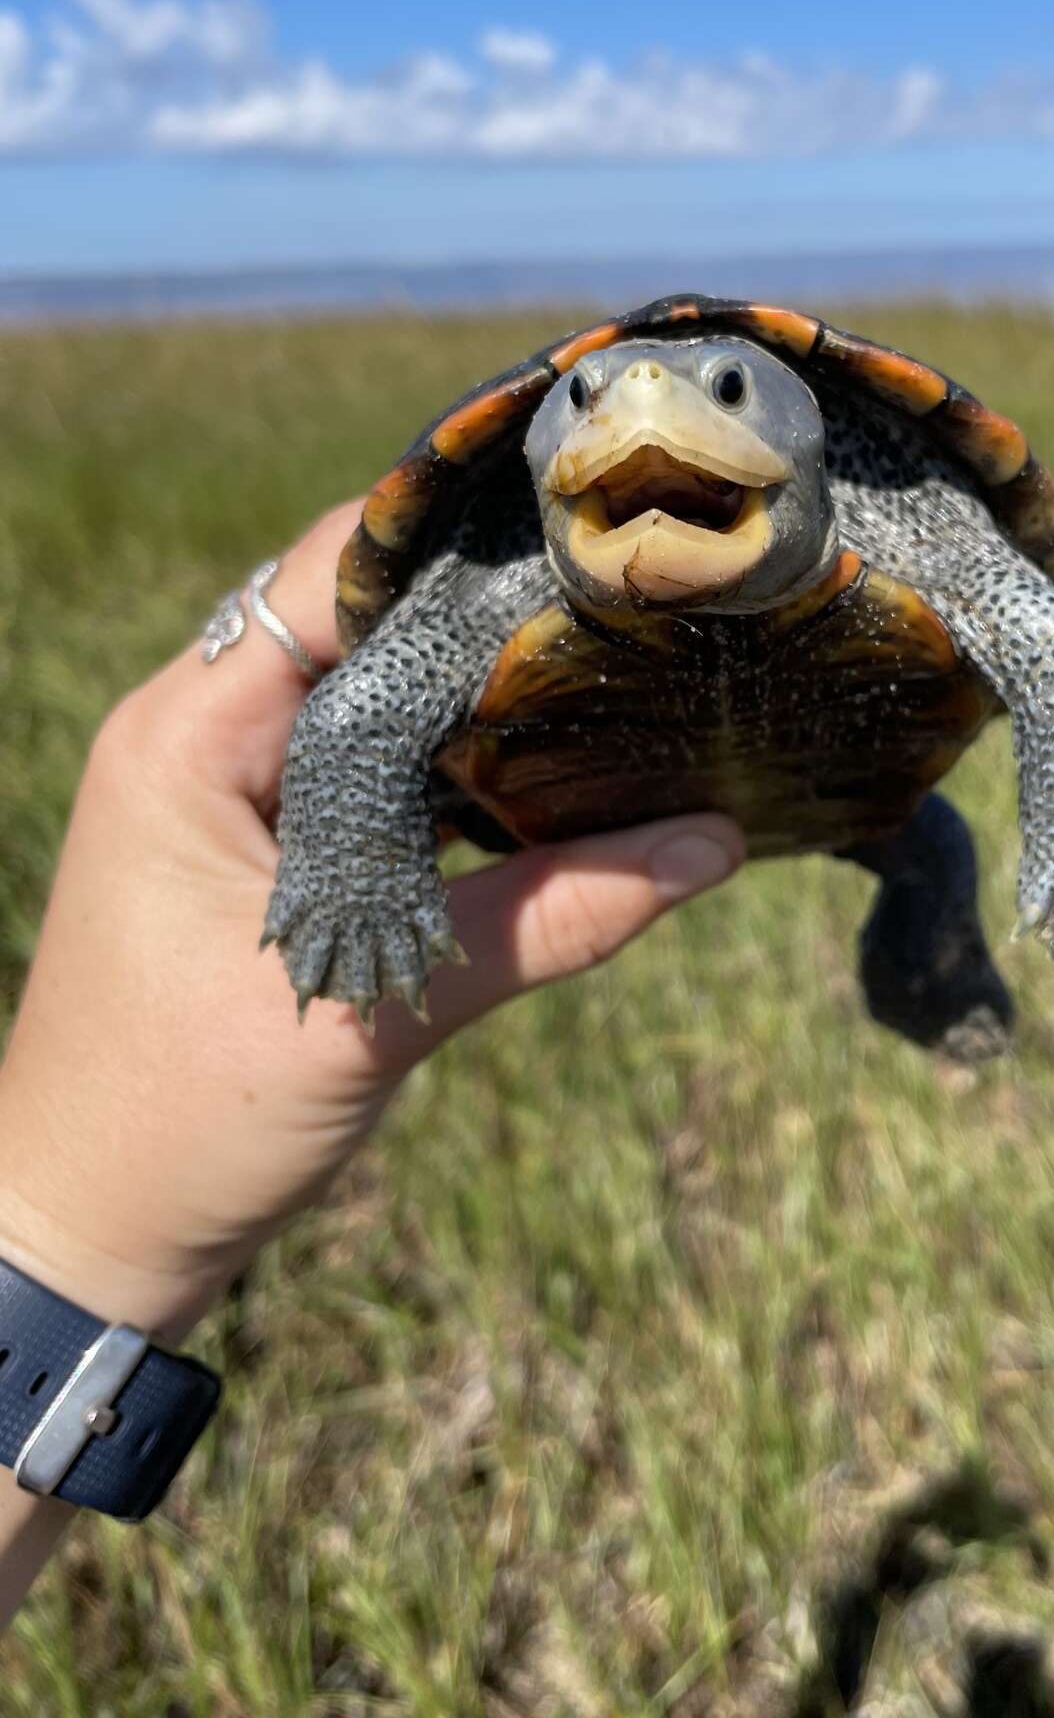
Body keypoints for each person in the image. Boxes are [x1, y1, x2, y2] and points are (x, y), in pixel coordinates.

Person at [0, 501, 744, 1629]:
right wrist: (69, 1240)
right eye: (589, 400)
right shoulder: (490, 582)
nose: (645, 415)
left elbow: (1034, 629)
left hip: (827, 734)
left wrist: (53, 1242)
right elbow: (366, 699)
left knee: (920, 839)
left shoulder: (889, 513)